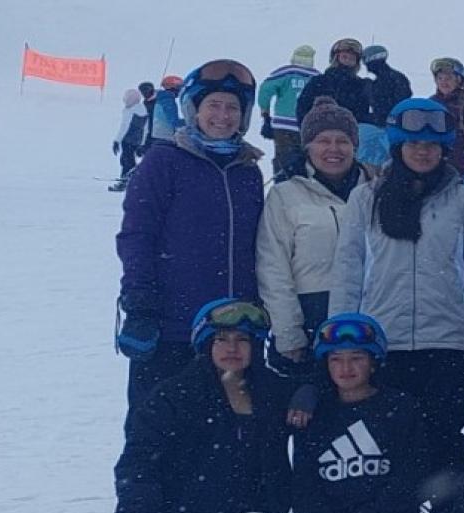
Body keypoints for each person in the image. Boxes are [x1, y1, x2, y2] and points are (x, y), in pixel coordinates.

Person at [331, 97, 464, 513]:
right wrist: (342, 343)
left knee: (444, 438)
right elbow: (349, 271)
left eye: (431, 144)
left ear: (444, 147)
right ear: (397, 145)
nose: (422, 151)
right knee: (390, 443)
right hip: (381, 346)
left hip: (446, 345)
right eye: (413, 142)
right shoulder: (365, 198)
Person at [115, 59, 264, 411]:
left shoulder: (248, 172)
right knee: (159, 432)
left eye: (232, 108)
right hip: (173, 328)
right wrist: (139, 303)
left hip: (231, 334)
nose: (222, 116)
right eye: (213, 105)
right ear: (193, 109)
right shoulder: (163, 161)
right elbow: (137, 235)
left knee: (230, 441)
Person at [111, 300, 292, 513]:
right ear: (206, 344)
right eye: (222, 339)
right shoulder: (174, 396)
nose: (232, 348)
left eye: (242, 340)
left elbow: (337, 390)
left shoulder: (271, 392)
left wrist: (308, 393)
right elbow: (137, 461)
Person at [257, 99, 363, 417]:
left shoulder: (372, 191)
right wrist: (288, 331)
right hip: (310, 318)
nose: (334, 149)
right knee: (312, 418)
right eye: (324, 141)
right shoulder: (286, 195)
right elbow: (272, 265)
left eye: (343, 141)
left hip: (363, 318)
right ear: (308, 147)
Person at [291, 313, 434, 513]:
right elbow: (305, 492)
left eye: (357, 357)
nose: (345, 367)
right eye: (336, 359)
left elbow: (411, 475)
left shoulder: (401, 407)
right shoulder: (313, 415)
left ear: (374, 362)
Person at [257, 45, 319, 173]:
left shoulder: (286, 72)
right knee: (308, 163)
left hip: (283, 126)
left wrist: (265, 113)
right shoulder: (316, 76)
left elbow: (265, 90)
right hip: (309, 127)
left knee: (284, 161)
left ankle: (282, 184)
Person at [298, 39, 373, 125]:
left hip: (350, 135)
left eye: (352, 59)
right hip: (321, 133)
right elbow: (302, 109)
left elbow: (365, 116)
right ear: (336, 58)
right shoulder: (319, 82)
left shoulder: (361, 86)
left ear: (356, 63)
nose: (347, 61)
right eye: (344, 57)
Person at [362, 46, 412, 126]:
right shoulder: (378, 81)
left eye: (366, 61)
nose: (366, 66)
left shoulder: (391, 79)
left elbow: (399, 104)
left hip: (392, 125)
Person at [112, 84, 150, 187]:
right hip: (137, 140)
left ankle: (125, 180)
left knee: (126, 160)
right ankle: (132, 178)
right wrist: (142, 143)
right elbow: (146, 129)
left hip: (127, 140)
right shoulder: (143, 109)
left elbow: (124, 126)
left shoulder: (130, 110)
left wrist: (117, 140)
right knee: (130, 159)